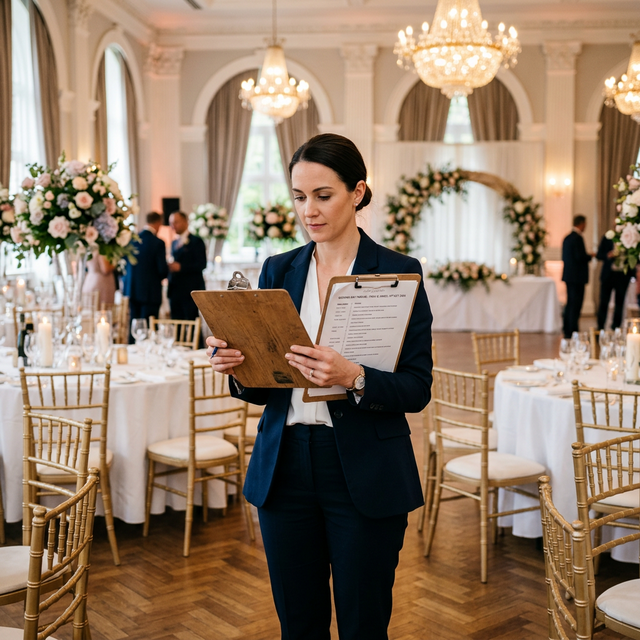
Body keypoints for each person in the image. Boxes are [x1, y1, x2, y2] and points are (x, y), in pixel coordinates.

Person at [206, 133, 433, 640]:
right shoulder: (278, 269)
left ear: (357, 192)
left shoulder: (399, 271)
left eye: (323, 195)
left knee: (362, 624)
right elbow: (265, 387)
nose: (309, 210)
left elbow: (417, 388)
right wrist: (237, 364)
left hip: (364, 470)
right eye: (299, 197)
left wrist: (353, 377)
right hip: (284, 465)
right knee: (298, 624)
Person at [122, 211, 169, 340]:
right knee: (149, 328)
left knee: (135, 326)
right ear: (158, 222)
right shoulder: (158, 243)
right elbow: (162, 271)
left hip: (132, 290)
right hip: (150, 293)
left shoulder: (131, 240)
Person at [167, 210, 206, 321]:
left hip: (190, 290)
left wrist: (181, 267)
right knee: (176, 323)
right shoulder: (174, 242)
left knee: (191, 322)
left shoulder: (196, 241)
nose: (172, 226)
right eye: (171, 223)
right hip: (175, 290)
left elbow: (202, 264)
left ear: (185, 222)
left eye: (175, 222)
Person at [562, 214, 593, 338]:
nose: (585, 226)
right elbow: (580, 257)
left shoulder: (567, 237)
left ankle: (567, 328)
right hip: (577, 278)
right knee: (576, 304)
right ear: (581, 223)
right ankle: (573, 329)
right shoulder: (577, 238)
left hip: (569, 276)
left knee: (570, 303)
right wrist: (591, 256)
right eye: (585, 224)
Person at [596, 234, 632, 330]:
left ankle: (616, 327)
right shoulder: (608, 237)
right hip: (609, 275)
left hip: (622, 275)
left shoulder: (630, 238)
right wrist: (608, 255)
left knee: (619, 303)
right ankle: (600, 327)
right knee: (604, 302)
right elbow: (599, 254)